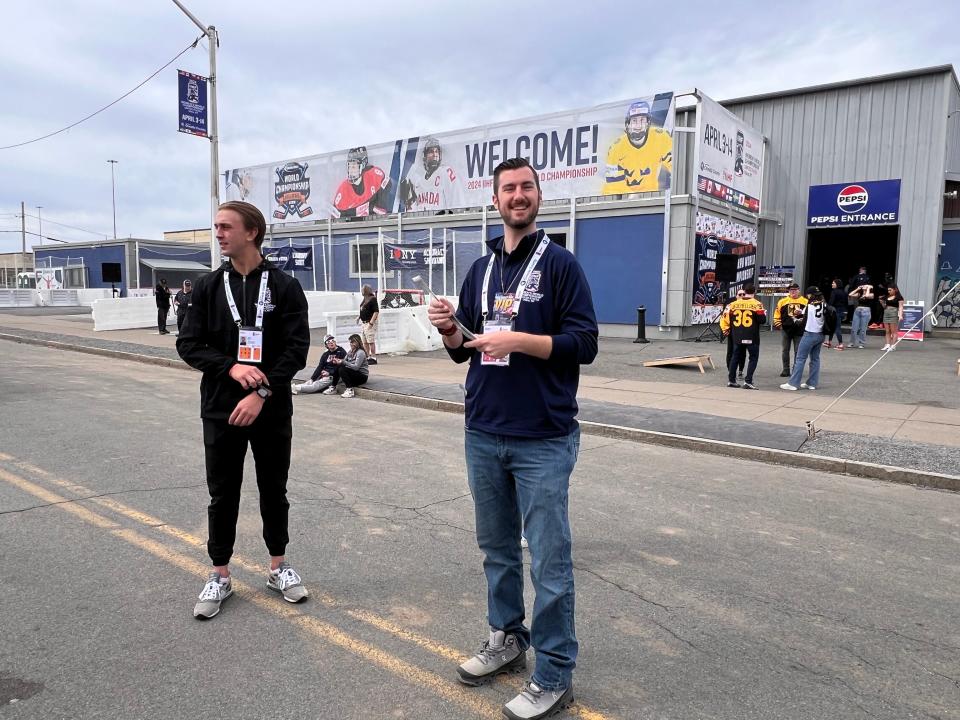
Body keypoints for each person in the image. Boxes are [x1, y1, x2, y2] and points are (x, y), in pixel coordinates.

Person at [427, 157, 598, 720]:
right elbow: (467, 347)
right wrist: (452, 328)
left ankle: (553, 674)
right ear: (496, 200)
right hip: (484, 429)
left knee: (550, 560)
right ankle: (507, 638)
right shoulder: (480, 269)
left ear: (538, 196)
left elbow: (584, 343)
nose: (517, 196)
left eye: (526, 187)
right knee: (497, 551)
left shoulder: (562, 266)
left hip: (542, 435)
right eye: (508, 189)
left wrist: (523, 340)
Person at [176, 200, 311, 620]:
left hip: (270, 409)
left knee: (274, 490)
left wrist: (262, 393)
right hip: (220, 409)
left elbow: (296, 350)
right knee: (223, 493)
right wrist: (231, 368)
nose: (218, 233)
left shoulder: (286, 287)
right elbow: (188, 344)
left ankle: (278, 567)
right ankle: (220, 574)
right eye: (215, 226)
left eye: (225, 227)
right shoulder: (207, 288)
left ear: (251, 232)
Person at [603, 100, 673, 194]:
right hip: (620, 202)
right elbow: (614, 184)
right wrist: (632, 197)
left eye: (642, 120)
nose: (638, 126)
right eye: (634, 120)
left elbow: (675, 167)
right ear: (628, 123)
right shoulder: (616, 148)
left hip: (651, 198)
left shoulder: (661, 137)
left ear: (648, 122)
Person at [780, 286, 837, 391]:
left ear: (810, 295)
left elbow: (803, 321)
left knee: (800, 359)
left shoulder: (810, 305)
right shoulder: (824, 305)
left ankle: (793, 383)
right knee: (815, 359)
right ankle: (812, 383)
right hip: (820, 335)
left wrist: (795, 319)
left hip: (810, 334)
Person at [400, 136, 464, 212]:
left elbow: (457, 203)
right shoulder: (419, 181)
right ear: (425, 156)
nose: (435, 154)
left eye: (436, 151)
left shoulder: (446, 172)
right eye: (431, 151)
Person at [723, 284, 766, 389]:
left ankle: (731, 380)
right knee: (753, 358)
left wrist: (727, 329)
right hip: (752, 335)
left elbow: (725, 317)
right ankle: (748, 381)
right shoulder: (757, 304)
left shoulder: (732, 304)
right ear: (754, 291)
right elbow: (762, 320)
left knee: (735, 357)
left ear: (745, 292)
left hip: (737, 335)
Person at [333, 146, 391, 218]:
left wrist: (380, 204)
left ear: (363, 165)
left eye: (354, 167)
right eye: (349, 166)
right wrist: (370, 207)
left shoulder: (374, 175)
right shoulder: (343, 190)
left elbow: (387, 184)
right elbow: (337, 218)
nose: (351, 170)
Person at [773, 283, 807, 377]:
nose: (792, 291)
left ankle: (796, 370)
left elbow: (808, 316)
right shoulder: (782, 301)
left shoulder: (805, 301)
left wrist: (805, 327)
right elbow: (777, 314)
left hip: (799, 330)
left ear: (799, 290)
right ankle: (786, 370)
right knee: (785, 350)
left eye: (795, 289)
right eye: (791, 290)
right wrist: (779, 325)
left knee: (798, 351)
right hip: (785, 330)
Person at [719, 289, 748, 381]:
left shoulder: (749, 306)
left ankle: (740, 371)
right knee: (730, 352)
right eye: (740, 294)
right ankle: (730, 371)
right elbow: (723, 319)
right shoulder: (730, 306)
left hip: (744, 332)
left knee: (742, 352)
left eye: (744, 294)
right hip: (733, 332)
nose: (742, 296)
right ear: (736, 296)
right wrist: (725, 329)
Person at [333, 333, 369, 398]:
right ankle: (333, 386)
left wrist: (343, 362)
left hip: (362, 376)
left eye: (353, 342)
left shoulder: (360, 352)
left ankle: (350, 389)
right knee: (339, 367)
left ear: (358, 342)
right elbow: (344, 361)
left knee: (342, 369)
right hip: (354, 374)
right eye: (350, 342)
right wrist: (338, 361)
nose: (351, 344)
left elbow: (356, 367)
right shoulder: (350, 351)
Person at [848, 279, 874, 348]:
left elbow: (867, 296)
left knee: (863, 329)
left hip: (866, 311)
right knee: (854, 328)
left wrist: (868, 288)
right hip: (857, 310)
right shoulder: (859, 294)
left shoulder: (871, 294)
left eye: (865, 285)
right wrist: (857, 288)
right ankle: (851, 342)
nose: (864, 286)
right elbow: (850, 294)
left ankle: (861, 343)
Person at [358, 284, 380, 364]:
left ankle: (373, 357)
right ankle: (367, 356)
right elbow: (363, 310)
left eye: (363, 290)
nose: (362, 291)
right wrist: (359, 317)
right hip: (364, 323)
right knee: (364, 341)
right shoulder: (365, 299)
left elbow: (376, 311)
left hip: (369, 322)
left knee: (370, 340)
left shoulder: (372, 299)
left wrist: (371, 323)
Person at [826, 278, 848, 349]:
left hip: (836, 311)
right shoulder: (844, 292)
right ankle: (829, 341)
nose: (832, 284)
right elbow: (846, 303)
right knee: (833, 326)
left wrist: (827, 308)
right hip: (843, 311)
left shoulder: (834, 292)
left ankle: (840, 344)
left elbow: (831, 303)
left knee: (837, 328)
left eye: (833, 283)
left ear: (837, 284)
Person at [882, 284, 905, 351]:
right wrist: (882, 303)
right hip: (886, 313)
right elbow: (884, 306)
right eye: (888, 290)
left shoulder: (899, 297)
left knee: (893, 331)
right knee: (887, 331)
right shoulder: (887, 296)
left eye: (890, 290)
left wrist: (900, 315)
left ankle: (893, 345)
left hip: (893, 313)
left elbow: (901, 307)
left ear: (895, 290)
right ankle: (887, 344)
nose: (889, 291)